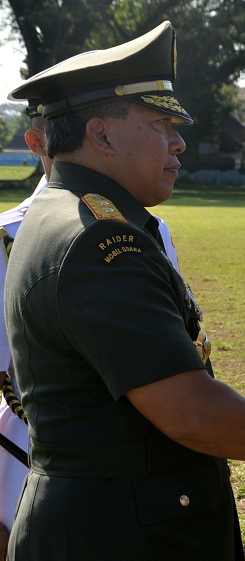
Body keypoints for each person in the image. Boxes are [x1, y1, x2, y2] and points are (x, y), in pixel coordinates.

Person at [5, 21, 245, 561]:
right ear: (103, 135)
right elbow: (190, 411)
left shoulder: (59, 213)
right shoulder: (100, 238)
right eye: (161, 124)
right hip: (122, 534)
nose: (179, 141)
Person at [0, 99, 185, 558]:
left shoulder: (150, 228)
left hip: (133, 470)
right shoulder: (7, 236)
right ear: (39, 142)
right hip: (23, 458)